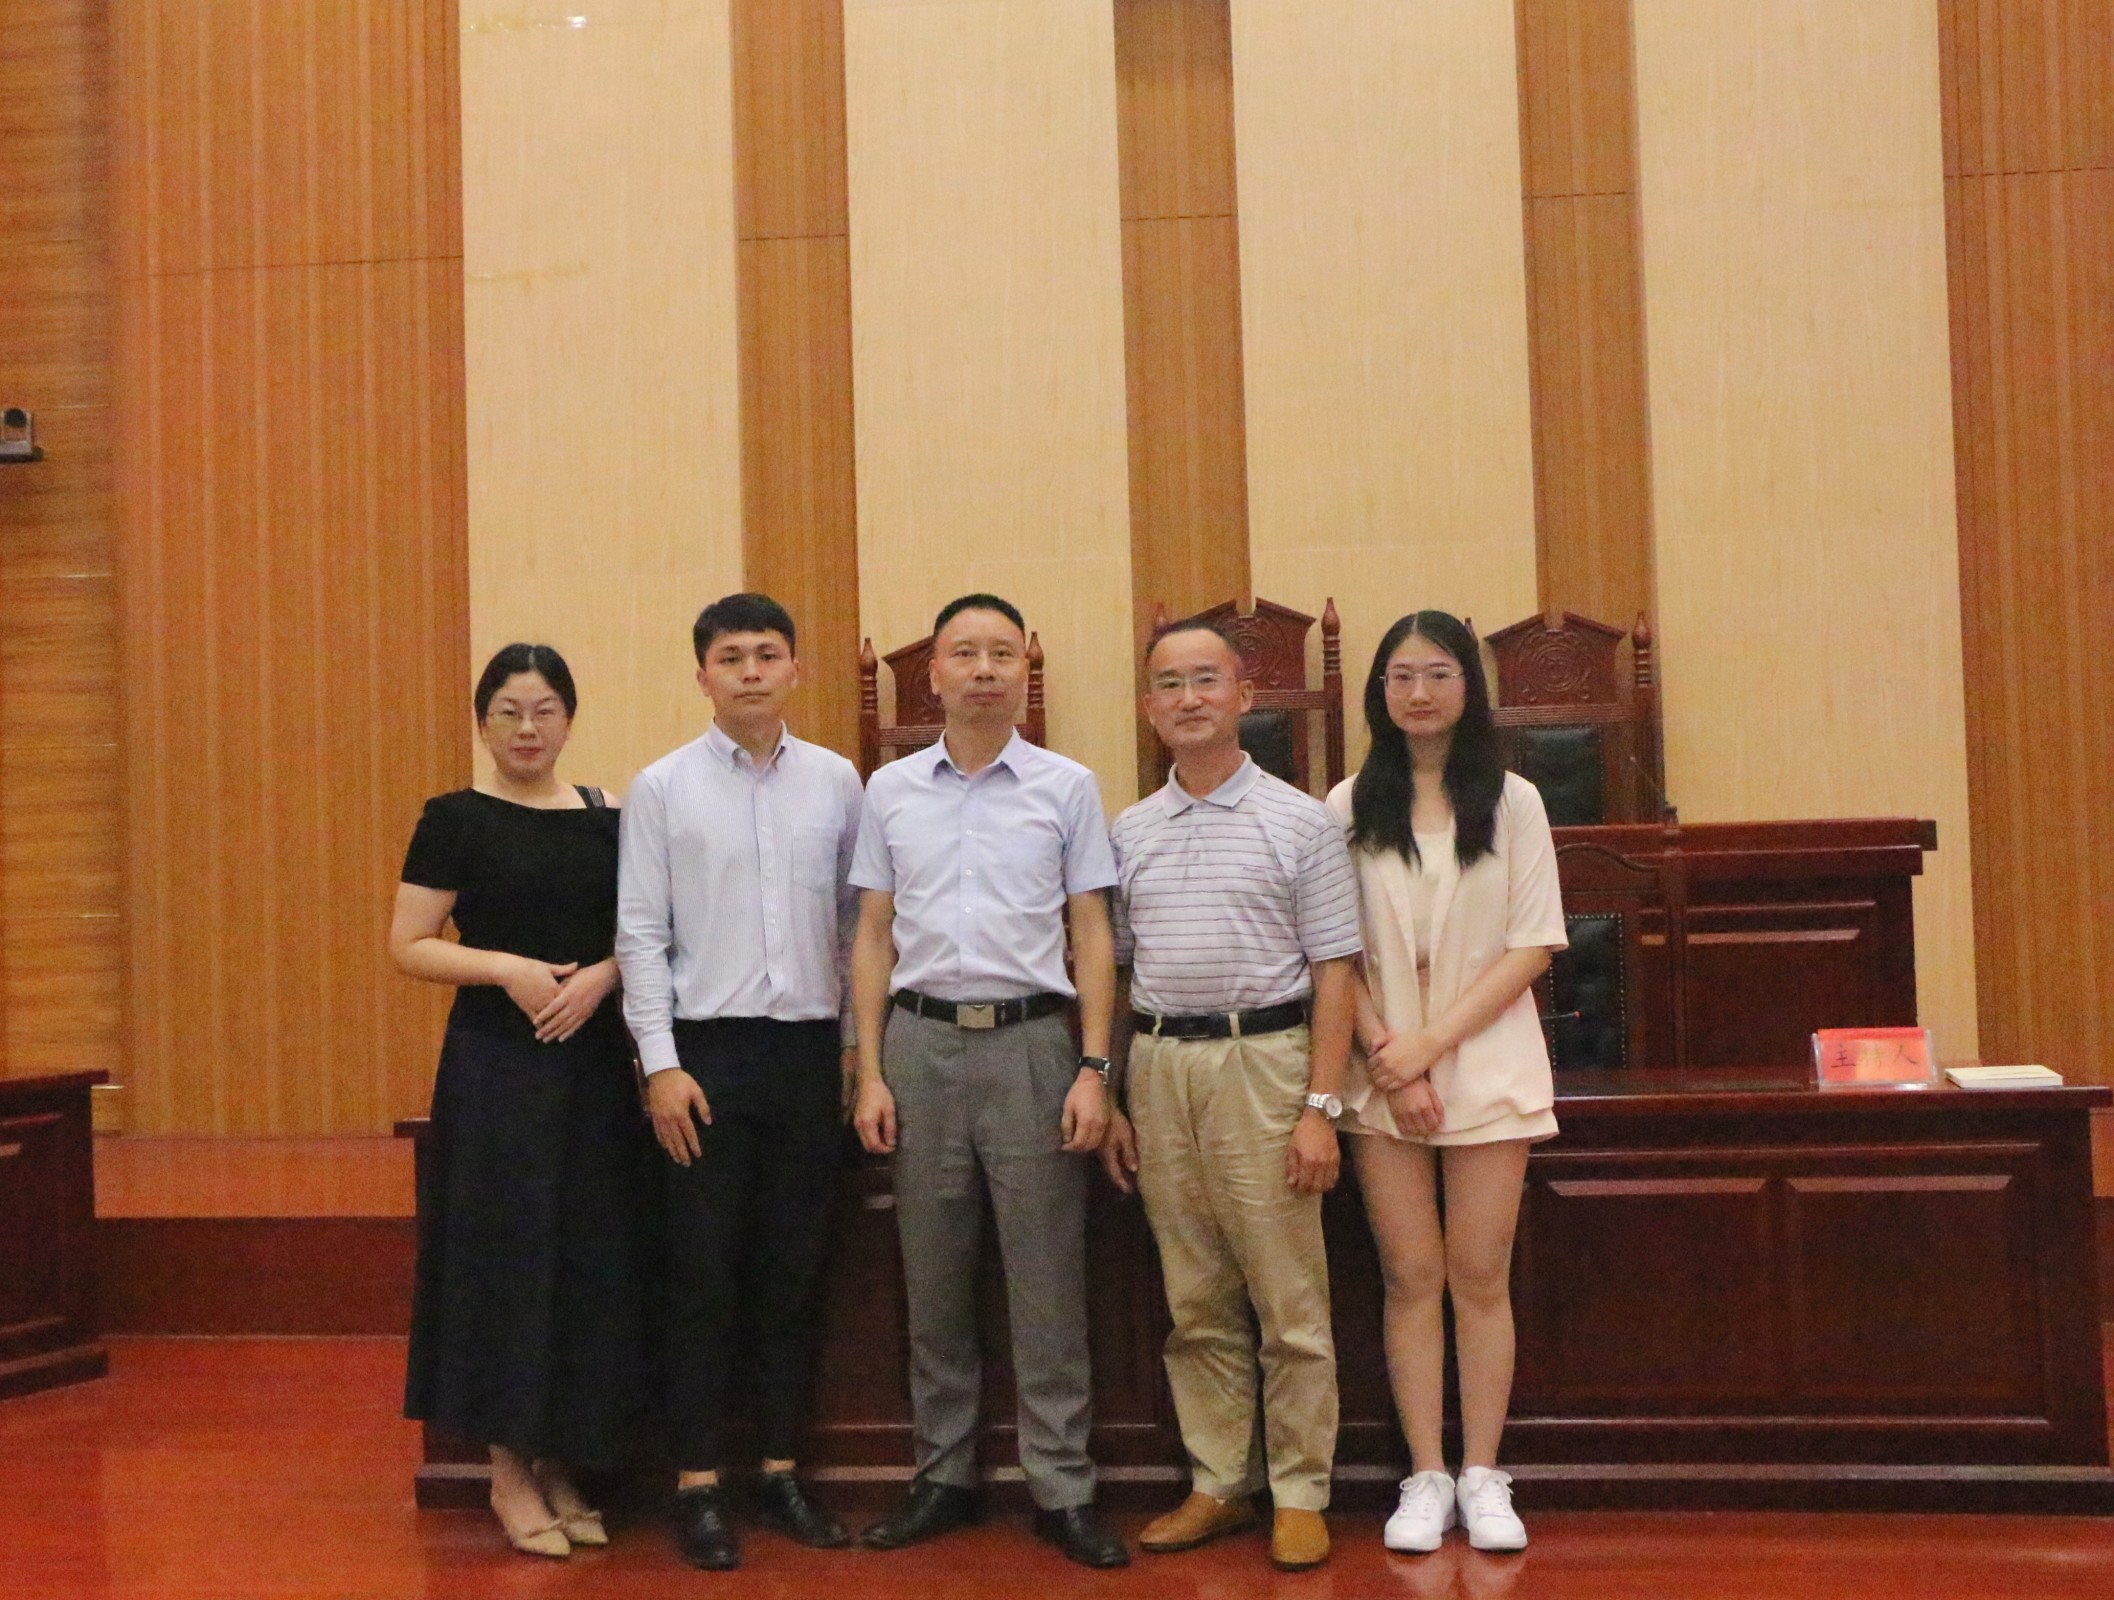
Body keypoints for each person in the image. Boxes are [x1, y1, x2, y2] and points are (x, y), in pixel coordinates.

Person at [848, 593, 1129, 1570]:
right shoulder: (889, 790)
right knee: (933, 1278)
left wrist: (1094, 1066)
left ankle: (1063, 1488)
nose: (981, 670)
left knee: (1047, 1281)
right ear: (932, 673)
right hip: (920, 1048)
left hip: (1032, 1047)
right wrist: (869, 1070)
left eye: (1000, 653)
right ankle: (943, 1477)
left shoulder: (1066, 787)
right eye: (962, 653)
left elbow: (1092, 931)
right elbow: (872, 934)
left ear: (1024, 669)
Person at [1100, 622, 1363, 1572]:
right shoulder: (1129, 831)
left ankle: (1299, 1491)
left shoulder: (1301, 822)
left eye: (1206, 680)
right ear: (1149, 708)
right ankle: (1219, 1480)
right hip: (1161, 1067)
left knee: (1288, 1297)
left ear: (1244, 696)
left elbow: (1336, 972)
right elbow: (1115, 976)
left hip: (1267, 1064)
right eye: (1169, 684)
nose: (1189, 699)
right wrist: (1114, 1094)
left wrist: (1320, 1108)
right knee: (1195, 1297)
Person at [614, 593, 864, 1572]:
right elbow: (640, 933)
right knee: (701, 1277)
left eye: (767, 654)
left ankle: (780, 1470)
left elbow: (855, 927)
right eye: (731, 657)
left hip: (807, 1056)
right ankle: (697, 1484)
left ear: (794, 668)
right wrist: (659, 1063)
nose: (751, 671)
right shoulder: (662, 787)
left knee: (790, 1276)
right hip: (703, 1061)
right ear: (703, 675)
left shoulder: (837, 780)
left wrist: (856, 1051)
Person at [390, 643, 653, 1560]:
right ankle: (508, 1470)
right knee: (505, 1261)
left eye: (544, 710)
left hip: (592, 1066)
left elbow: (647, 932)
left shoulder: (610, 818)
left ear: (569, 720)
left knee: (586, 1259)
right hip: (497, 1068)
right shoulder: (454, 819)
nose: (528, 728)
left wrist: (605, 978)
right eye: (508, 711)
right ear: (483, 723)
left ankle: (561, 1461)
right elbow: (409, 943)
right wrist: (506, 968)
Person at [1325, 611, 1567, 1554]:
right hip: (1380, 1066)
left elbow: (1533, 944)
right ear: (1379, 692)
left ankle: (1483, 1474)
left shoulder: (1513, 801)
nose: (1419, 693)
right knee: (1410, 1276)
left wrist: (1429, 1046)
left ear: (1469, 686)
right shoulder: (1349, 803)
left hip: (1487, 1060)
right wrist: (1392, 1054)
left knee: (1478, 1276)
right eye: (1400, 677)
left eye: (1437, 674)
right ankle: (1425, 1474)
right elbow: (1333, 949)